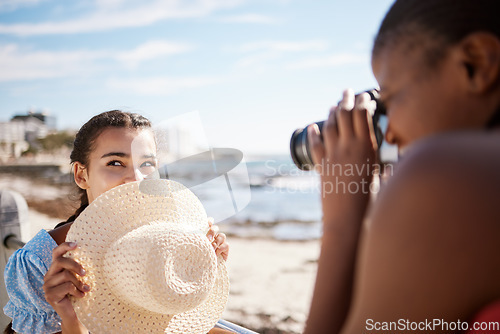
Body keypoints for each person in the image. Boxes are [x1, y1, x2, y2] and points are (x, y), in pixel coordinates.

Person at [304, 0, 500, 333]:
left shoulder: (444, 178)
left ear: (476, 63)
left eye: (391, 100)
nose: (390, 132)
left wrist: (341, 222)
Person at [3, 110, 231, 334]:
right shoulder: (38, 262)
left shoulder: (168, 238)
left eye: (146, 164)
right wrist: (72, 319)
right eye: (115, 163)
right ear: (81, 175)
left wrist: (203, 266)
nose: (136, 178)